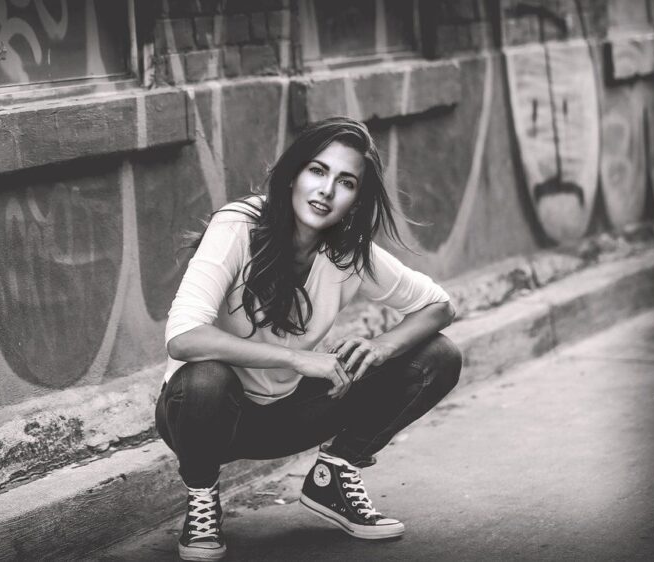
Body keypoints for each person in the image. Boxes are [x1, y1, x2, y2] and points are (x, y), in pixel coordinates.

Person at [156, 117, 462, 561]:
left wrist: (381, 347)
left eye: (346, 182)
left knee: (438, 356)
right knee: (205, 378)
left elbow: (439, 306)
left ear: (356, 199)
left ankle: (334, 474)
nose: (326, 190)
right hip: (209, 418)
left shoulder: (348, 252)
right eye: (318, 171)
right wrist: (297, 359)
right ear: (293, 174)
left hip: (288, 416)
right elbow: (183, 338)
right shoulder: (238, 225)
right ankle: (202, 500)